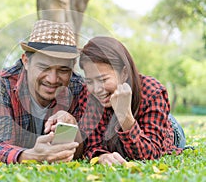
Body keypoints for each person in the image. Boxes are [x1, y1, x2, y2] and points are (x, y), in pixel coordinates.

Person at [0, 20, 87, 164]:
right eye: (44, 67)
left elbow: (82, 152)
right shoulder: (2, 83)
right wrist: (32, 156)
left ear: (73, 66)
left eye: (63, 70)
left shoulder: (79, 87)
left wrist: (73, 126)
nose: (52, 79)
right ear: (26, 61)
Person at [78, 36, 185, 166]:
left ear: (124, 73)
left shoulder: (152, 91)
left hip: (168, 131)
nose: (96, 89)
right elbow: (89, 144)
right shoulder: (88, 94)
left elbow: (150, 155)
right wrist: (101, 156)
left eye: (103, 80)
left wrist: (124, 115)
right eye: (90, 81)